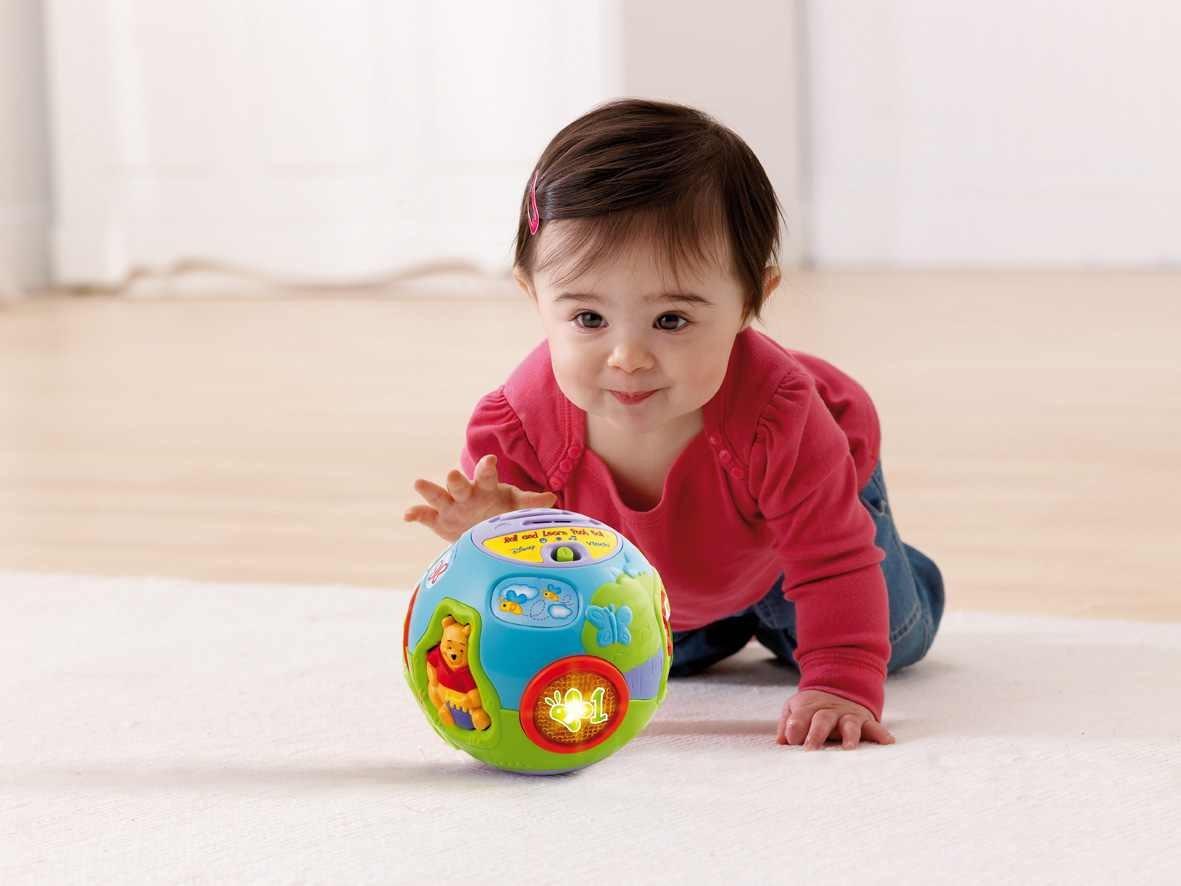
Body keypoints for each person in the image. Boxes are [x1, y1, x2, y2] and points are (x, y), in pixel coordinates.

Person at [404, 98, 944, 751]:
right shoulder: (516, 431)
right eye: (589, 319)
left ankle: (888, 559)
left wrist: (839, 683)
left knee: (888, 640)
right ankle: (725, 618)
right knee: (662, 656)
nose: (627, 357)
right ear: (533, 295)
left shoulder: (780, 419)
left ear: (750, 301)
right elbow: (517, 595)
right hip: (670, 577)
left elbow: (833, 566)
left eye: (671, 320)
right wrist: (485, 536)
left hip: (801, 538)